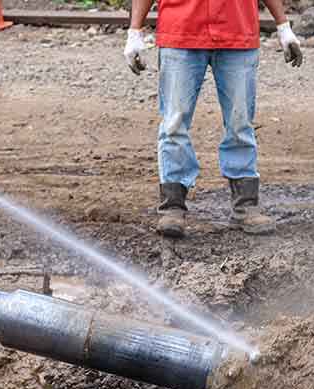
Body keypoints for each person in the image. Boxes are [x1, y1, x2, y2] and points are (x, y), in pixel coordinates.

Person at [123, 0, 302, 238]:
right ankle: (173, 207)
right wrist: (135, 31)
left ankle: (245, 206)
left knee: (240, 123)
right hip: (181, 31)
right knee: (174, 124)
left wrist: (283, 26)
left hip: (236, 31)